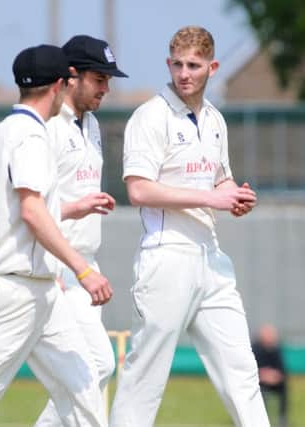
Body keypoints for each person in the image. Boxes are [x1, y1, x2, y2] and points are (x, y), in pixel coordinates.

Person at [0, 44, 113, 427]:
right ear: (60, 85)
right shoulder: (31, 136)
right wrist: (83, 269)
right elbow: (32, 212)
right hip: (16, 289)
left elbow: (21, 210)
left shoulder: (4, 131)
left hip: (41, 288)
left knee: (85, 384)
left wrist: (71, 210)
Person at [109, 26, 270, 427]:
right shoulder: (150, 117)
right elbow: (140, 191)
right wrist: (212, 198)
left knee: (242, 370)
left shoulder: (215, 119)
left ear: (212, 67)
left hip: (210, 259)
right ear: (169, 64)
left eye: (194, 66)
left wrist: (234, 196)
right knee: (145, 377)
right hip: (166, 258)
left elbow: (220, 179)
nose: (184, 73)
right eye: (178, 64)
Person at [34, 34, 127, 426]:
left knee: (100, 367)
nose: (106, 87)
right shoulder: (49, 127)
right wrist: (76, 209)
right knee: (85, 375)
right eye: (99, 78)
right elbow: (31, 208)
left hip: (84, 264)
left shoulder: (92, 126)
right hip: (55, 267)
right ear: (71, 76)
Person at [252, 324, 288, 427]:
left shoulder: (276, 349)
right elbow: (252, 370)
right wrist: (263, 375)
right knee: (261, 393)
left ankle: (283, 419)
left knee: (284, 388)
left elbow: (282, 370)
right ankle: (261, 419)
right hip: (259, 382)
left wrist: (276, 377)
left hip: (274, 382)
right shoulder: (255, 349)